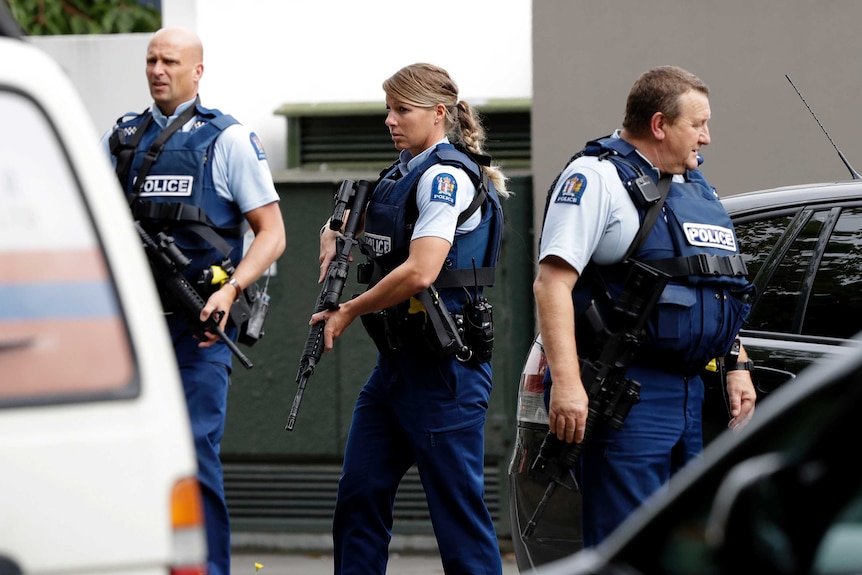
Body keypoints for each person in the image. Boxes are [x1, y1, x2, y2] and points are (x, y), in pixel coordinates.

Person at [533, 65, 757, 547]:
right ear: (660, 125)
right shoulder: (597, 178)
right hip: (628, 393)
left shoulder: (696, 188)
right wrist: (568, 386)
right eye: (698, 124)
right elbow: (551, 284)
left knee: (685, 543)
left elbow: (715, 285)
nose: (707, 137)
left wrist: (736, 363)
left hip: (691, 392)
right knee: (628, 545)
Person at [100, 26, 286, 575]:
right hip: (134, 330)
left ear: (197, 71)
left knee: (194, 454)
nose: (158, 70)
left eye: (171, 61)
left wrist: (232, 288)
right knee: (130, 459)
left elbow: (272, 232)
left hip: (200, 328)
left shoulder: (226, 139)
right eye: (152, 60)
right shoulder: (121, 138)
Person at [311, 62, 509, 574]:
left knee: (458, 521)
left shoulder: (444, 176)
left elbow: (421, 271)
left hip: (446, 372)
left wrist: (351, 308)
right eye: (388, 109)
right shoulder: (403, 171)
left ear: (439, 113)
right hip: (395, 370)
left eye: (402, 110)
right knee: (358, 497)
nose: (390, 120)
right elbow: (366, 221)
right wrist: (332, 229)